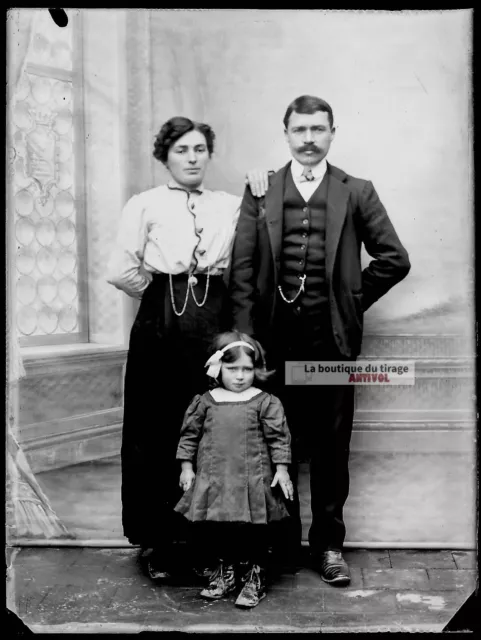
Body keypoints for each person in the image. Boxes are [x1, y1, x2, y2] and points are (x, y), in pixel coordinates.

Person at [229, 95, 411, 586]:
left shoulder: (357, 191)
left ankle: (329, 547)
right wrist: (246, 340)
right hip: (273, 348)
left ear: (332, 133)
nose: (309, 139)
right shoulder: (261, 190)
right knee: (273, 444)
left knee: (331, 448)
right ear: (285, 134)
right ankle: (282, 546)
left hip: (331, 347)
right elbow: (242, 272)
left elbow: (395, 258)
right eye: (300, 130)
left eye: (318, 130)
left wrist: (348, 302)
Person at [107, 117, 267, 579]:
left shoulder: (230, 205)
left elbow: (252, 248)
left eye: (199, 149)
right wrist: (160, 295)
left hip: (213, 319)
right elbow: (122, 270)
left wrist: (262, 180)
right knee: (154, 426)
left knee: (209, 425)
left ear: (209, 155)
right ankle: (157, 541)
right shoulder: (145, 204)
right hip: (161, 317)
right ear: (165, 156)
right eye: (181, 150)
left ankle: (204, 539)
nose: (192, 158)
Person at [174, 331, 293, 608]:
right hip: (215, 478)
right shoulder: (205, 401)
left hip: (252, 478)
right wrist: (186, 468)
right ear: (218, 368)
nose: (240, 376)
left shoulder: (264, 401)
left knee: (253, 531)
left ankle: (255, 575)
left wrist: (282, 469)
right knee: (218, 529)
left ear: (256, 370)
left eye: (247, 369)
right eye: (232, 369)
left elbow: (278, 438)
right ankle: (225, 571)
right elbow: (189, 436)